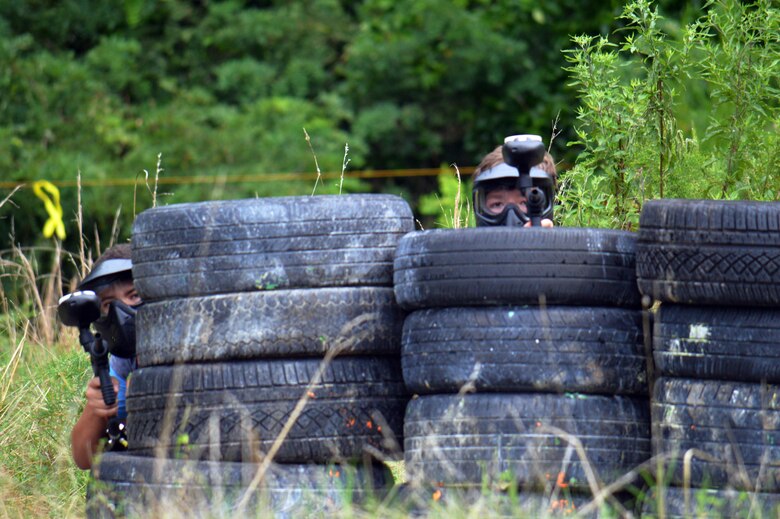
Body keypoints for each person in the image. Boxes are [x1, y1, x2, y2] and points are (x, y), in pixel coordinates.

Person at [70, 243, 142, 470]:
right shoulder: (123, 362)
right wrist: (97, 408)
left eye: (134, 295)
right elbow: (83, 457)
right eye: (109, 304)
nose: (122, 311)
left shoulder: (194, 345)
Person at [472, 138, 557, 228]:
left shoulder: (566, 241)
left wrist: (547, 240)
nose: (511, 219)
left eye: (525, 203)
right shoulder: (463, 241)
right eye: (497, 204)